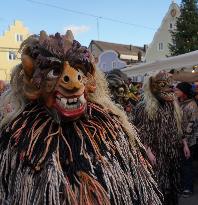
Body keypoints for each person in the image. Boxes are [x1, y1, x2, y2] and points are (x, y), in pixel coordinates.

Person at [0, 30, 163, 204]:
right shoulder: (19, 137)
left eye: (79, 70)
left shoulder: (111, 127)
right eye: (54, 71)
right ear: (33, 85)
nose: (74, 81)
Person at [134, 71, 190, 205]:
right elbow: (139, 132)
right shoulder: (143, 108)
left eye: (171, 86)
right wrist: (148, 151)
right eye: (165, 85)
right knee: (158, 187)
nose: (171, 89)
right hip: (156, 155)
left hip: (172, 153)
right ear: (154, 87)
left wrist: (185, 144)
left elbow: (178, 126)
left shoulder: (172, 105)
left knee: (172, 187)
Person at [175, 82, 198, 197]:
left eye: (177, 90)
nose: (175, 91)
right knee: (183, 163)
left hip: (189, 141)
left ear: (183, 92)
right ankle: (184, 185)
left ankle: (188, 188)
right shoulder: (181, 103)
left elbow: (192, 124)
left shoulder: (192, 105)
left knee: (187, 164)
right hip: (181, 139)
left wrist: (186, 143)